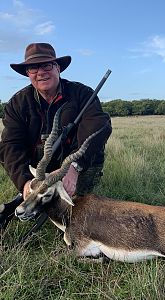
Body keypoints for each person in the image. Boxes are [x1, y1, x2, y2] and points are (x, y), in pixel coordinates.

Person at [0, 43, 112, 227]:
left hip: (78, 166)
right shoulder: (17, 103)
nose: (40, 72)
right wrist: (25, 183)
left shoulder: (83, 94)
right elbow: (11, 144)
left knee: (74, 205)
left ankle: (23, 201)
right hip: (41, 167)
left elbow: (99, 127)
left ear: (58, 68)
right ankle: (24, 198)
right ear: (27, 73)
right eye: (33, 68)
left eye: (47, 65)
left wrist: (74, 167)